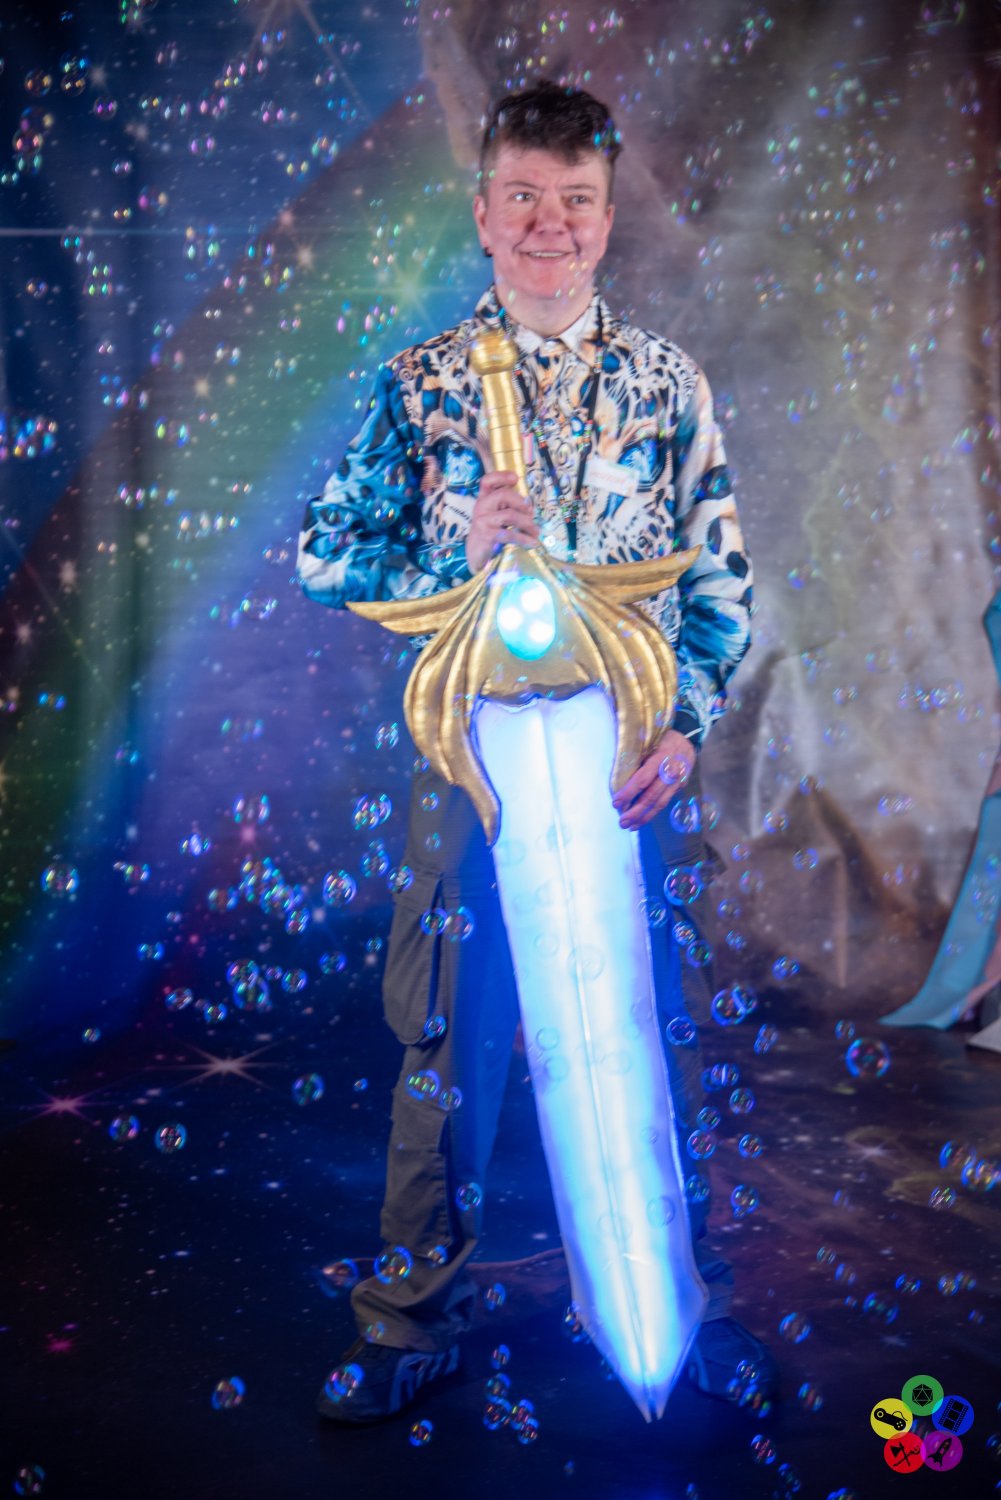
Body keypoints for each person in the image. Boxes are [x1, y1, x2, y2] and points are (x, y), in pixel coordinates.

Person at [298, 79, 765, 1424]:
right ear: (484, 211)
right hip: (477, 757)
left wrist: (686, 722)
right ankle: (410, 1320)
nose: (548, 225)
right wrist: (457, 553)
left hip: (627, 754)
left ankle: (677, 1300)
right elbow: (329, 554)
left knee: (657, 1029)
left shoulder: (667, 384)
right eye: (523, 197)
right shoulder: (421, 386)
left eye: (574, 201)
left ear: (606, 219)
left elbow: (719, 578)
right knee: (449, 1036)